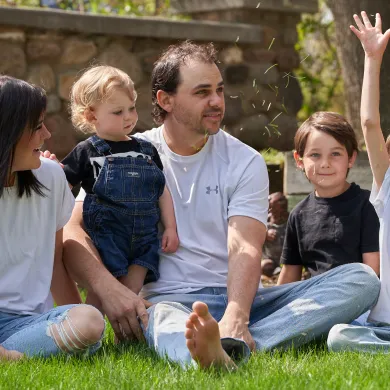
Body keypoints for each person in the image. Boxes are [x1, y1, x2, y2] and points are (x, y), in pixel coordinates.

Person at [60, 41, 380, 369]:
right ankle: (207, 353)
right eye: (202, 92)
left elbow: (244, 246)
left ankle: (230, 343)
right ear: (165, 100)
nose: (216, 102)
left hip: (242, 300)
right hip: (171, 301)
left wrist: (237, 314)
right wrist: (110, 291)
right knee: (164, 319)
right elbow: (72, 230)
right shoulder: (123, 153)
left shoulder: (244, 160)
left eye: (219, 90)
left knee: (361, 279)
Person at [0, 75, 105, 360]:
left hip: (27, 324)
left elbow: (55, 261)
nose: (46, 134)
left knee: (90, 322)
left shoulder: (52, 176)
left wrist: (81, 321)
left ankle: (12, 355)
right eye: (36, 127)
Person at [61, 66, 178, 310]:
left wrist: (170, 227)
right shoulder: (87, 151)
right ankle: (90, 333)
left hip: (145, 239)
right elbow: (62, 185)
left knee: (131, 290)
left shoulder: (146, 150)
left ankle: (125, 335)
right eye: (118, 112)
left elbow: (161, 190)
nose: (129, 117)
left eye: (132, 108)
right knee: (103, 293)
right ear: (92, 116)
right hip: (106, 237)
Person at [328, 11, 390, 353]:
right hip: (382, 326)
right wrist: (372, 59)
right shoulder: (389, 187)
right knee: (340, 336)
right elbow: (369, 123)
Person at [277, 112, 380, 286]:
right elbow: (289, 274)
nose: (325, 163)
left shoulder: (367, 205)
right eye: (315, 155)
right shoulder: (298, 215)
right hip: (315, 298)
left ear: (351, 158)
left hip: (358, 296)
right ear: (299, 160)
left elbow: (372, 271)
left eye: (335, 154)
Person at [261, 192, 289, 278]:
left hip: (288, 259)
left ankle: (282, 272)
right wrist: (265, 234)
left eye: (270, 200)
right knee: (265, 266)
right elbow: (251, 235)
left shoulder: (291, 218)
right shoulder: (264, 219)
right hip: (270, 258)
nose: (267, 201)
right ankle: (276, 271)